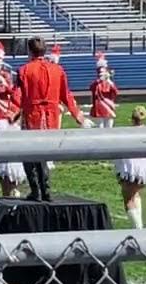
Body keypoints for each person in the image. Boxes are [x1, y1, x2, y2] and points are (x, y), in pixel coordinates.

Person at [16, 37, 91, 201]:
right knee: (42, 153)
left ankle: (37, 189)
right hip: (51, 116)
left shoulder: (24, 70)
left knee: (28, 153)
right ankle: (45, 188)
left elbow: (18, 96)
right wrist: (77, 114)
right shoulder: (57, 70)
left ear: (29, 51)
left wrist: (11, 114)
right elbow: (66, 95)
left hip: (32, 116)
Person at [0, 46, 25, 198]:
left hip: (6, 116)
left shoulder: (6, 77)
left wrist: (2, 83)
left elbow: (11, 92)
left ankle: (13, 183)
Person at [112, 106, 146, 228]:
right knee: (135, 194)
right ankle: (138, 226)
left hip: (131, 170)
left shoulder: (127, 133)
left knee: (128, 199)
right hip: (145, 170)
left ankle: (138, 228)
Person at [88, 52, 118, 129]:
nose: (101, 74)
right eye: (100, 72)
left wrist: (109, 81)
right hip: (99, 109)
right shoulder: (96, 83)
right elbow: (91, 88)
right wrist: (99, 81)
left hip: (108, 107)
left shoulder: (109, 83)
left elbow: (115, 92)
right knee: (100, 129)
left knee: (109, 128)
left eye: (102, 72)